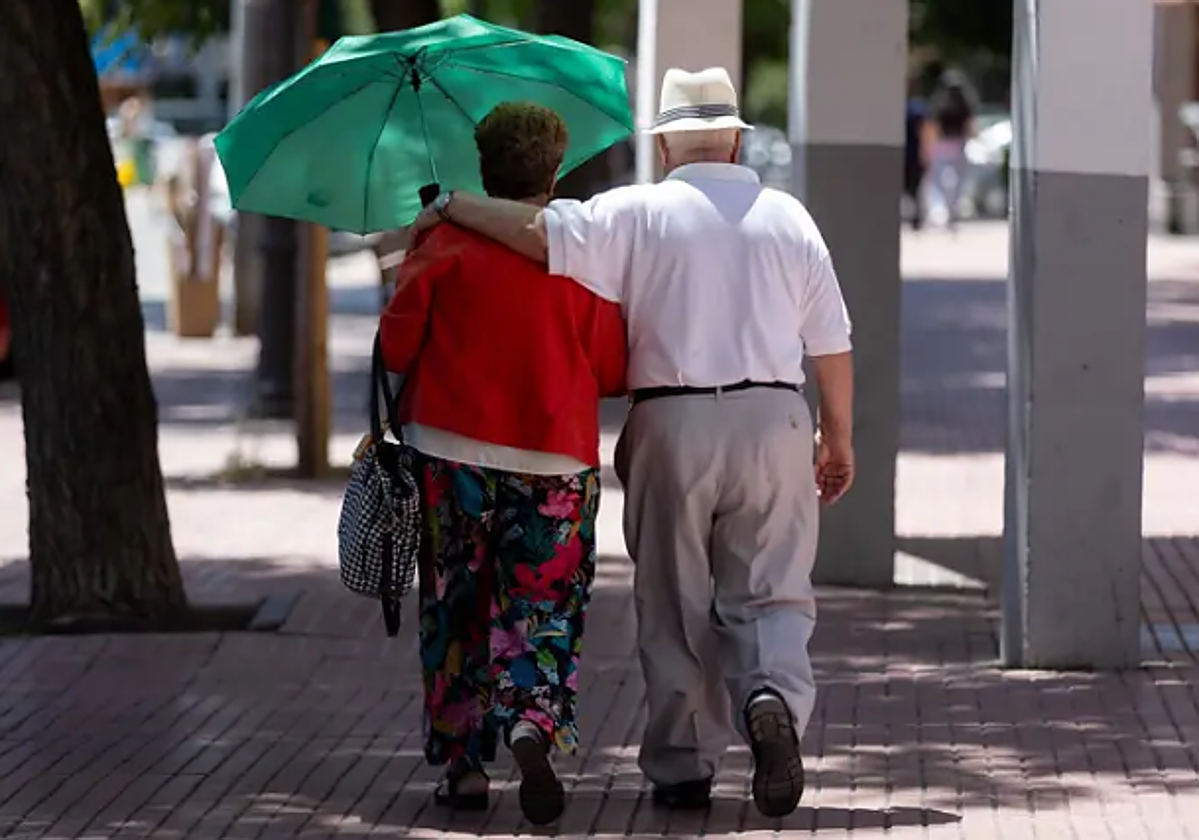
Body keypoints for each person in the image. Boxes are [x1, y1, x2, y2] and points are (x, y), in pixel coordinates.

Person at [410, 67, 855, 819]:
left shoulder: (635, 212)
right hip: (774, 418)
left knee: (673, 600)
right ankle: (770, 695)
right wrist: (835, 435)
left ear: (662, 146)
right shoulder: (789, 218)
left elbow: (534, 231)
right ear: (738, 141)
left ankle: (682, 766)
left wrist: (449, 204)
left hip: (671, 421)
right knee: (771, 590)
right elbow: (832, 343)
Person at [378, 102, 628, 825]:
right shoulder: (583, 255)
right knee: (544, 606)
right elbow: (610, 367)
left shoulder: (442, 246)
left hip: (450, 456)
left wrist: (403, 261)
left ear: (481, 169)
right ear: (553, 172)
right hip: (554, 460)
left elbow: (396, 352)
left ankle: (461, 767)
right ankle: (531, 721)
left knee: (455, 607)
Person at [926, 69, 979, 229]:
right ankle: (952, 208)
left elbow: (933, 124)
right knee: (959, 178)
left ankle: (939, 208)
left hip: (942, 144)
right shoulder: (965, 103)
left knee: (937, 179)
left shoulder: (939, 102)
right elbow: (970, 124)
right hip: (959, 142)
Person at [904, 78, 930, 230]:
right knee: (914, 189)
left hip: (910, 155)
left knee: (912, 189)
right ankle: (915, 217)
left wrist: (925, 152)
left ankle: (915, 217)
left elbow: (925, 131)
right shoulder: (918, 108)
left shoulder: (913, 108)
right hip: (913, 155)